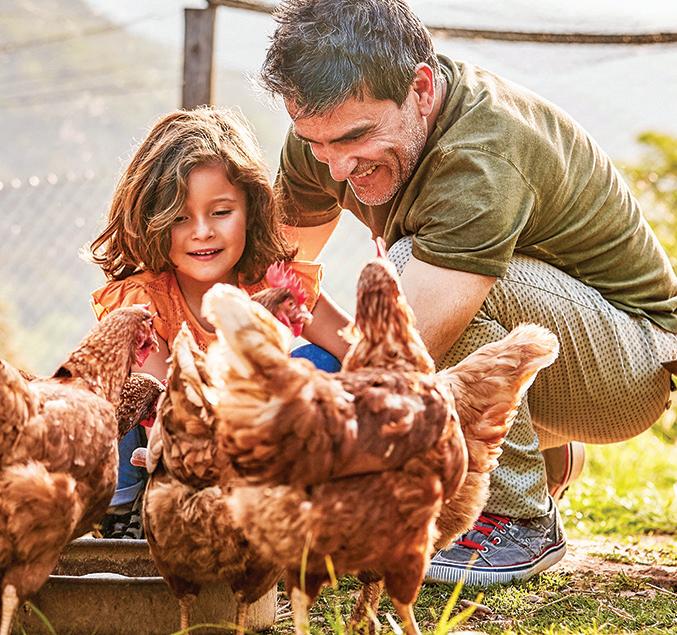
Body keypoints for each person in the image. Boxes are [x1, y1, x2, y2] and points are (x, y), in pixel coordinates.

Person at [259, 0, 677, 584]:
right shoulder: (325, 135)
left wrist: (279, 443)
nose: (336, 169)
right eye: (317, 143)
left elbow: (403, 360)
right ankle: (537, 452)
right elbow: (282, 275)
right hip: (549, 359)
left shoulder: (481, 154)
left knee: (404, 283)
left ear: (421, 88)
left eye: (357, 137)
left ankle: (517, 516)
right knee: (382, 313)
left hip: (628, 369)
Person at [88, 106, 350, 537]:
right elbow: (171, 404)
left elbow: (354, 347)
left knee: (321, 363)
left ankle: (302, 503)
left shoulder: (273, 279)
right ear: (151, 221)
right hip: (169, 448)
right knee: (124, 387)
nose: (202, 231)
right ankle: (123, 513)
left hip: (257, 447)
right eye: (179, 217)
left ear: (252, 209)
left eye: (221, 212)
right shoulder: (142, 299)